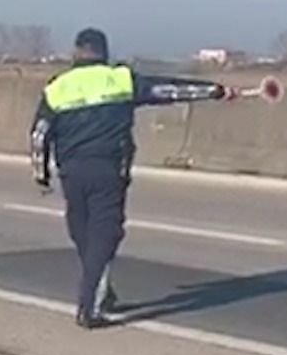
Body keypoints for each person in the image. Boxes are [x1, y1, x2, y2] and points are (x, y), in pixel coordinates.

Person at [30, 28, 240, 329]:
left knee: (82, 231)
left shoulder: (57, 87)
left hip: (72, 172)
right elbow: (170, 90)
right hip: (109, 169)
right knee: (105, 234)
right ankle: (89, 305)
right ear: (104, 52)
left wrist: (41, 175)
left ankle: (100, 287)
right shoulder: (120, 79)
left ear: (76, 52)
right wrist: (216, 91)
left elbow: (40, 135)